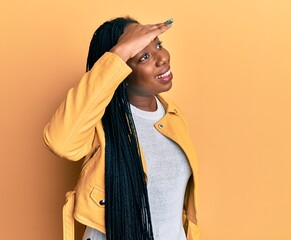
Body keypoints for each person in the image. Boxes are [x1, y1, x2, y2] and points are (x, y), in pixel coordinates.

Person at [43, 16, 200, 240]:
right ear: (122, 71)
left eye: (158, 45)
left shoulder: (173, 116)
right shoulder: (97, 123)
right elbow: (60, 142)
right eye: (143, 56)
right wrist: (119, 53)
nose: (162, 58)